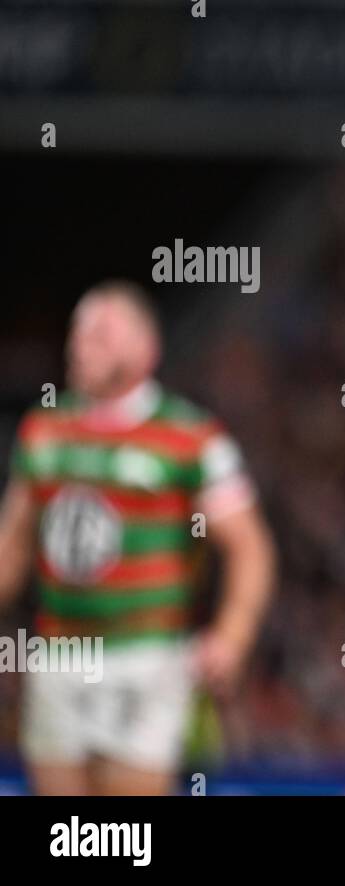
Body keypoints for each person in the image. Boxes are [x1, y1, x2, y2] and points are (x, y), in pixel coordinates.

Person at [0, 280, 276, 795]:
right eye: (77, 334)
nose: (78, 346)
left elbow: (248, 545)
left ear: (145, 350)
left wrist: (233, 633)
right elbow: (12, 545)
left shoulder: (189, 437)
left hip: (145, 658)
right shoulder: (44, 430)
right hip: (59, 651)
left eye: (99, 335)